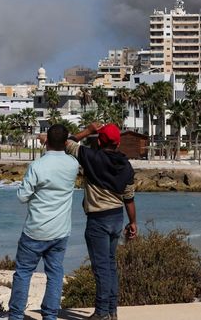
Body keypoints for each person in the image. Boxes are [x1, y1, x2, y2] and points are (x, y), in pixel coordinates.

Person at [3, 124, 80, 320]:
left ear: (46, 142)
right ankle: (50, 316)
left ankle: (16, 316)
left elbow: (22, 196)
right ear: (65, 142)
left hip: (35, 230)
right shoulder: (72, 164)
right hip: (61, 230)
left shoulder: (37, 166)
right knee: (55, 274)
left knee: (23, 273)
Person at [66, 122, 137, 320]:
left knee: (101, 267)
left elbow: (67, 142)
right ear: (118, 142)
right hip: (117, 217)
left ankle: (101, 312)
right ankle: (112, 311)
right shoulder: (126, 164)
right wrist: (133, 223)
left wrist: (88, 131)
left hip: (98, 219)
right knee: (111, 264)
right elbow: (129, 197)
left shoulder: (91, 157)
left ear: (100, 140)